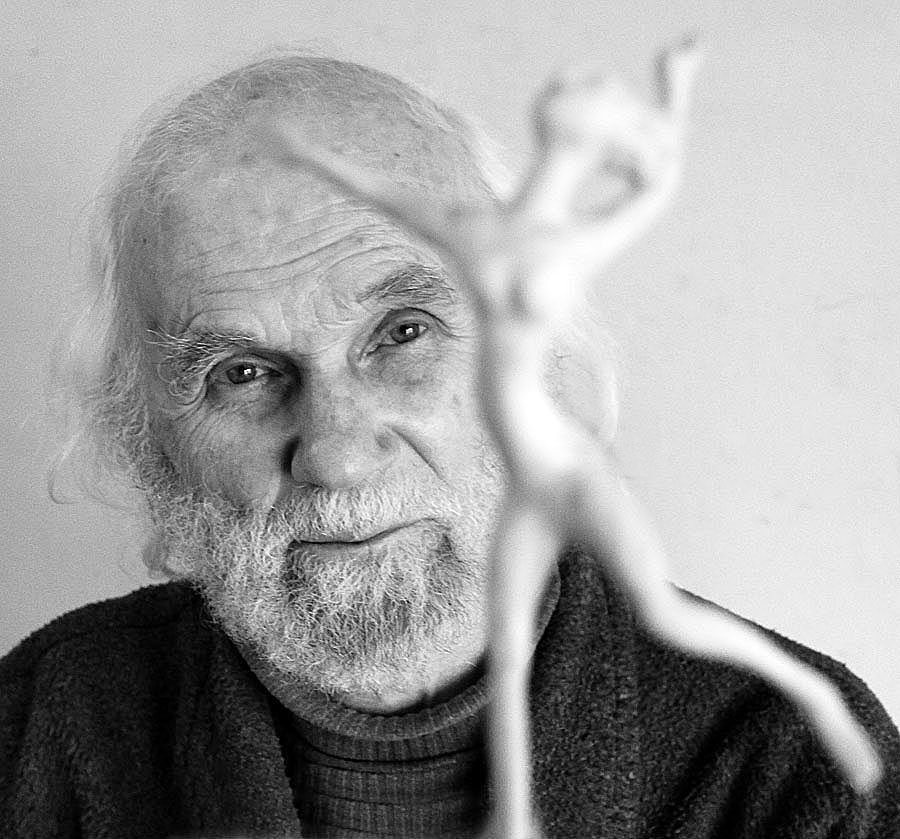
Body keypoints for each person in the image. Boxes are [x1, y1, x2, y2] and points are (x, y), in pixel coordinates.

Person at [0, 52, 897, 839]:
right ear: (149, 442)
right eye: (241, 373)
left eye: (403, 333)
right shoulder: (35, 728)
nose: (339, 457)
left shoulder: (787, 768)